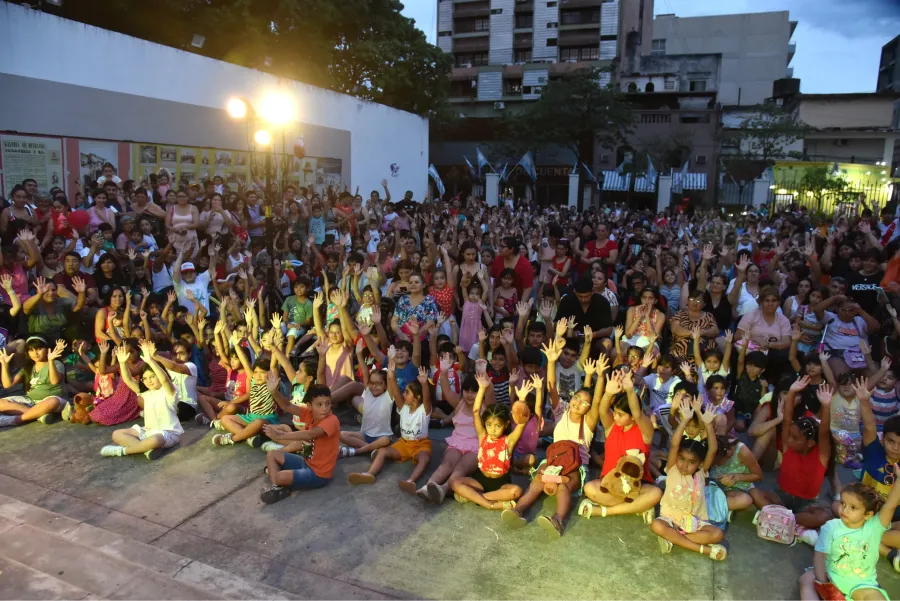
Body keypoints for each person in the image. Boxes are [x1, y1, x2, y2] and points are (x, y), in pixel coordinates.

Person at [650, 396, 727, 560]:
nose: (684, 465)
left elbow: (712, 450)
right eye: (682, 459)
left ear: (699, 464)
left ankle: (672, 540)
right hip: (669, 521)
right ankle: (702, 549)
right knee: (656, 525)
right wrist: (683, 421)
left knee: (718, 534)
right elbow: (674, 445)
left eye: (691, 462)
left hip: (695, 523)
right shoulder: (672, 469)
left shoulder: (701, 473)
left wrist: (707, 424)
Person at [800, 479, 900, 601]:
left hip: (861, 584)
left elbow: (890, 505)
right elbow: (820, 555)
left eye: (853, 507)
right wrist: (824, 585)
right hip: (831, 577)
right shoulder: (831, 527)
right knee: (806, 580)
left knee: (875, 597)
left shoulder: (874, 527)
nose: (845, 509)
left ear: (868, 514)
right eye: (843, 503)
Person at [347, 363, 431, 492]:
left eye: (407, 392)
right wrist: (391, 376)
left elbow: (427, 399)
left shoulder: (424, 411)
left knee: (424, 458)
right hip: (403, 443)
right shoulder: (403, 408)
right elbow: (396, 393)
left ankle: (410, 481)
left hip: (420, 444)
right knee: (383, 451)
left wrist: (424, 384)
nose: (404, 394)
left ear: (417, 397)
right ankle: (369, 474)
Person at [449, 372, 526, 510]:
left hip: (500, 484)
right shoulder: (483, 436)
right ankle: (491, 504)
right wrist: (482, 389)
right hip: (480, 480)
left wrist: (522, 400)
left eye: (497, 426)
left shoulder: (509, 441)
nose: (493, 429)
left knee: (516, 491)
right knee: (454, 482)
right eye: (489, 425)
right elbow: (475, 412)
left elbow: (521, 423)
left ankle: (476, 497)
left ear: (506, 425)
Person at [259, 384, 340, 504]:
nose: (325, 408)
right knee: (271, 454)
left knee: (279, 476)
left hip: (319, 475)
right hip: (306, 463)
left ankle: (279, 484)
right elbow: (287, 405)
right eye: (319, 404)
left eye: (328, 403)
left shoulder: (331, 420)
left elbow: (310, 434)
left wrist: (280, 435)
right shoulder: (308, 413)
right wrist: (273, 391)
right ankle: (278, 488)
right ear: (309, 406)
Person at [100, 341, 181, 460]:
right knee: (116, 434)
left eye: (152, 377)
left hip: (167, 433)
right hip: (148, 432)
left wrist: (150, 361)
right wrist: (122, 363)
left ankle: (123, 451)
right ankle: (145, 449)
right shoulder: (146, 393)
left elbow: (164, 380)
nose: (149, 381)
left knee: (155, 440)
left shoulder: (169, 391)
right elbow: (128, 380)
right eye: (145, 378)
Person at [0, 338, 68, 427]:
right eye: (31, 350)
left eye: (39, 349)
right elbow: (7, 384)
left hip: (52, 399)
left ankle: (17, 419)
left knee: (53, 401)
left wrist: (50, 361)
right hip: (31, 401)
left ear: (47, 349)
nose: (35, 353)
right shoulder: (27, 367)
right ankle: (39, 415)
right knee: (1, 402)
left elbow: (54, 381)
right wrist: (4, 365)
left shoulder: (56, 363)